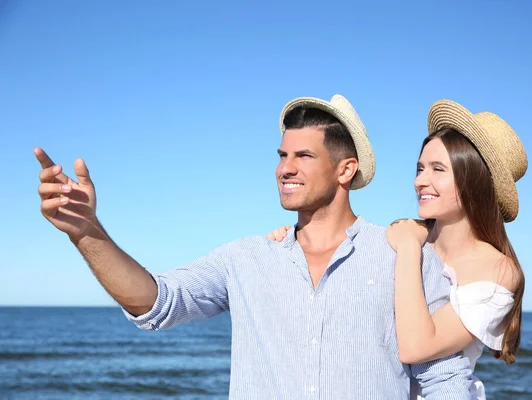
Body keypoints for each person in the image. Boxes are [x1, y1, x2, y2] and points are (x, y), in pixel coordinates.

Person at [34, 94, 473, 399]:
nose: (285, 168)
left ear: (345, 170)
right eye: (281, 156)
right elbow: (158, 303)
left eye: (303, 156)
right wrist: (86, 232)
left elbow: (444, 380)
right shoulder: (245, 259)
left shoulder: (404, 254)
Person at [268, 99, 528, 399]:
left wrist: (408, 249)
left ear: (474, 180)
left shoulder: (496, 269)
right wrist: (296, 240)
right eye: (420, 168)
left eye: (438, 169)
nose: (420, 181)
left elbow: (417, 347)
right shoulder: (407, 232)